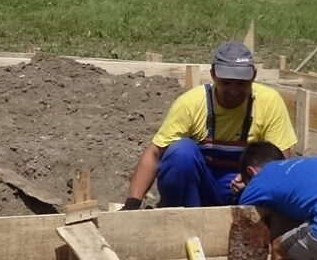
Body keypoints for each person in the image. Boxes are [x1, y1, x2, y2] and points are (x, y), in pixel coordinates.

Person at [122, 40, 299, 208]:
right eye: (226, 83)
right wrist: (131, 205)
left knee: (265, 171)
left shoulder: (268, 102)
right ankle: (183, 216)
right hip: (197, 187)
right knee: (181, 152)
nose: (234, 91)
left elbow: (280, 162)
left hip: (238, 191)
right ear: (213, 75)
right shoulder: (191, 103)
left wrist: (252, 183)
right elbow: (154, 154)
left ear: (253, 76)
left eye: (241, 84)